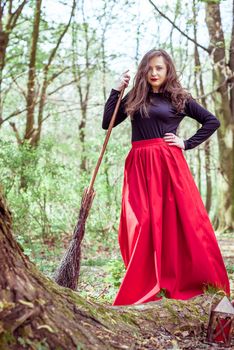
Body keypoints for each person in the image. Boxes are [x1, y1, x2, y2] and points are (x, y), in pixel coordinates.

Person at [102, 48, 230, 306]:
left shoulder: (179, 98)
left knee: (179, 221)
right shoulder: (135, 97)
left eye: (159, 68)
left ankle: (186, 277)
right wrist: (116, 91)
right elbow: (108, 123)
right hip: (139, 164)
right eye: (149, 68)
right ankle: (145, 281)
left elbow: (211, 121)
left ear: (167, 69)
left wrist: (186, 143)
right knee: (142, 221)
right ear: (143, 71)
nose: (154, 73)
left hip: (168, 164)